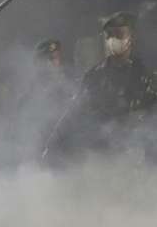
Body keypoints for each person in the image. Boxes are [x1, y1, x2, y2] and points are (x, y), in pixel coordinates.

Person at [46, 13, 157, 163]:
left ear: (131, 38)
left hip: (139, 157)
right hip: (104, 157)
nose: (114, 39)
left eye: (119, 34)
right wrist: (53, 144)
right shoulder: (94, 77)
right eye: (109, 35)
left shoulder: (146, 76)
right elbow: (73, 113)